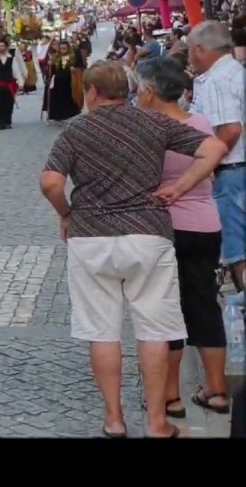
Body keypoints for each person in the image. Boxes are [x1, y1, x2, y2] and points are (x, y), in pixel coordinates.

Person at [39, 61, 227, 439]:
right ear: (126, 90)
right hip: (148, 234)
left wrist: (66, 213)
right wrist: (182, 187)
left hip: (91, 237)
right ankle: (158, 423)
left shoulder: (77, 129)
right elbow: (215, 147)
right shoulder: (152, 122)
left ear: (91, 93)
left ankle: (114, 420)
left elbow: (50, 182)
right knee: (155, 331)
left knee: (103, 333)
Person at [134, 58, 231, 417]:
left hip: (162, 226)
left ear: (148, 91)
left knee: (164, 311)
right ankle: (217, 390)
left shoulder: (145, 129)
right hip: (205, 225)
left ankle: (169, 396)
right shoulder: (201, 123)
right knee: (204, 304)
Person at [186, 21, 246, 291]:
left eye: (189, 50)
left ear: (200, 49)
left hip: (231, 171)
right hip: (234, 170)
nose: (188, 56)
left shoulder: (217, 80)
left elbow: (230, 128)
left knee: (237, 251)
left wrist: (206, 166)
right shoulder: (233, 72)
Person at [0, 37, 27, 130]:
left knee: (9, 104)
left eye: (2, 46)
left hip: (8, 84)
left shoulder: (11, 59)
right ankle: (0, 122)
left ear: (6, 47)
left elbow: (16, 71)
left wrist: (20, 82)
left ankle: (8, 121)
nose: (1, 48)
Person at [43, 39, 82, 124]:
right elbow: (52, 71)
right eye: (61, 48)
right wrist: (50, 64)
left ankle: (70, 113)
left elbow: (80, 67)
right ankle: (56, 115)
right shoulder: (56, 57)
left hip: (69, 82)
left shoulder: (73, 57)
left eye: (65, 48)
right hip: (58, 82)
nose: (63, 50)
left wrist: (74, 69)